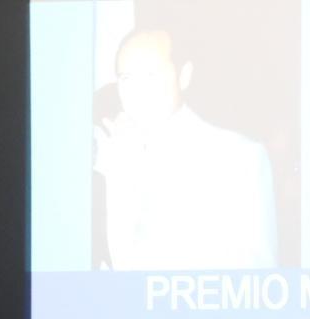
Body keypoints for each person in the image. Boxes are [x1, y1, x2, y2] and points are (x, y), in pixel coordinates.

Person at [94, 27, 279, 270]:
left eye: (152, 75)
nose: (138, 90)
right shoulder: (109, 159)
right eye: (127, 78)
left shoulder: (238, 158)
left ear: (184, 76)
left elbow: (256, 279)